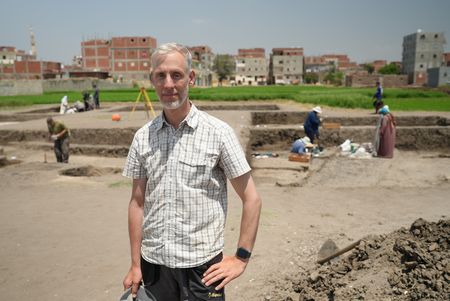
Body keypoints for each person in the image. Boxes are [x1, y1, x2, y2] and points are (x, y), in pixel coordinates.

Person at [122, 43, 262, 301]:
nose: (168, 84)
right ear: (152, 79)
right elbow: (137, 203)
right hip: (154, 266)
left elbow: (251, 198)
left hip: (202, 267)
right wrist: (135, 264)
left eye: (176, 75)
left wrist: (241, 258)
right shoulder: (143, 137)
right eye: (160, 75)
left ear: (191, 78)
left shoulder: (218, 133)